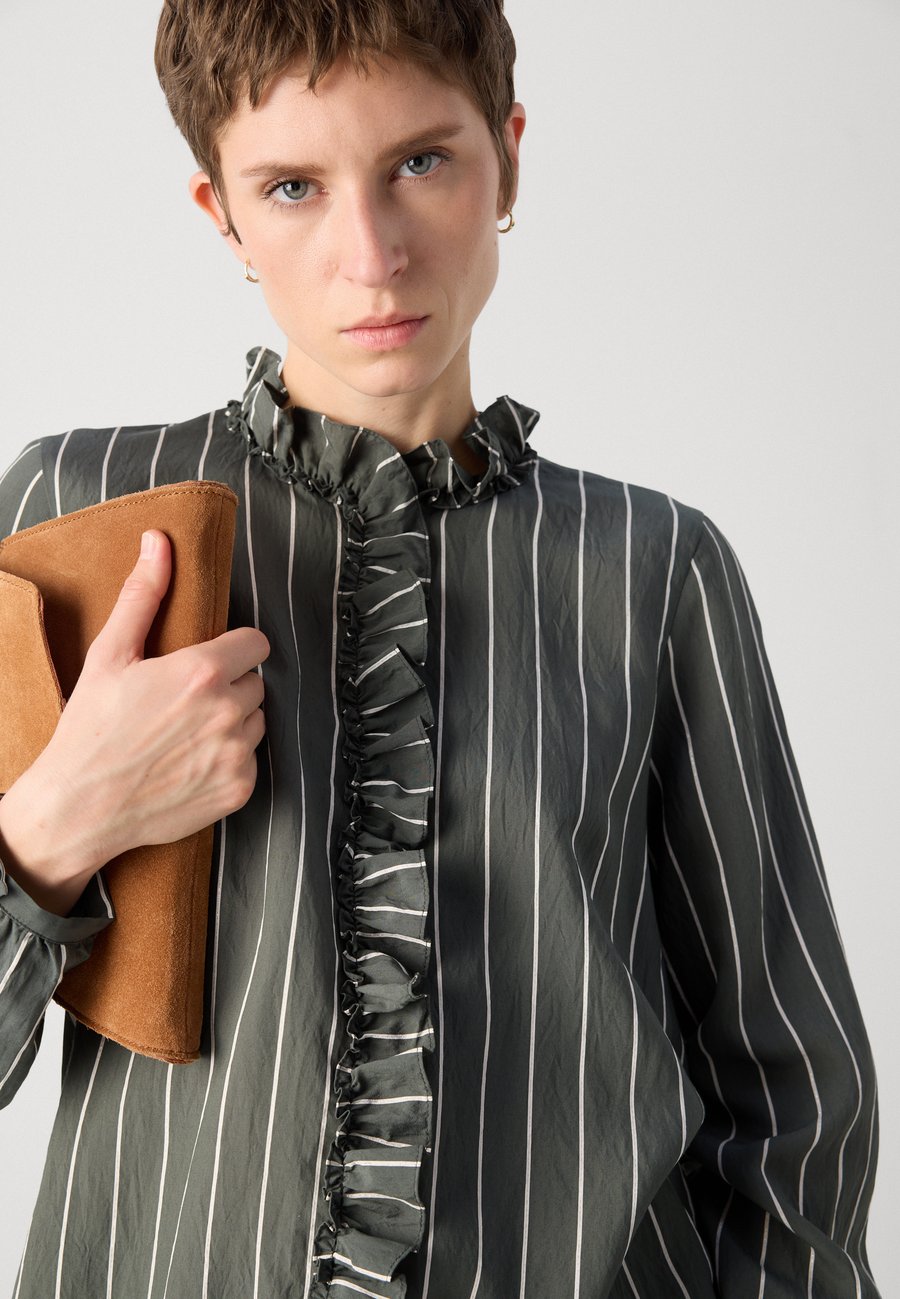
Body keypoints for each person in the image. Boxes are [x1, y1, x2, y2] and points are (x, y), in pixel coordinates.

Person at [0, 0, 882, 1295]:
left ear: (507, 158)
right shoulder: (76, 517)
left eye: (420, 161)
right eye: (293, 187)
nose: (372, 254)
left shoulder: (656, 568)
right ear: (221, 215)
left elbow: (791, 1097)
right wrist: (55, 829)